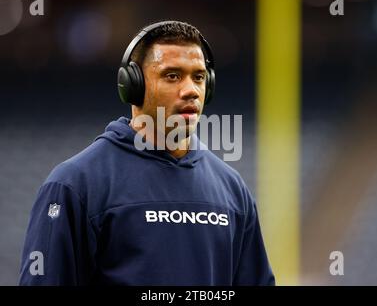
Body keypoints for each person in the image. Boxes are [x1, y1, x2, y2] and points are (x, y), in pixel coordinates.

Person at [19, 20, 275, 285]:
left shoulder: (232, 189)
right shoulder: (75, 184)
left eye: (198, 77)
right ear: (133, 85)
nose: (190, 90)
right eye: (172, 76)